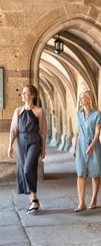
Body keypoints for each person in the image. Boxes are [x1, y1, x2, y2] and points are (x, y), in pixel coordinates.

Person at [8, 85, 47, 214]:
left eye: (25, 92)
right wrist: (10, 146)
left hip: (34, 142)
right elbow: (13, 130)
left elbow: (42, 132)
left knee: (27, 170)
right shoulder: (18, 111)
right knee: (23, 171)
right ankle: (34, 202)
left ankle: (34, 200)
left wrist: (44, 148)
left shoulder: (39, 111)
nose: (23, 95)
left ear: (33, 95)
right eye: (23, 93)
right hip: (21, 142)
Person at [73, 90, 101, 212]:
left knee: (95, 174)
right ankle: (81, 203)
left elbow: (97, 132)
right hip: (80, 145)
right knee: (80, 173)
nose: (81, 100)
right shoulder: (78, 114)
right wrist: (75, 147)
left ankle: (94, 199)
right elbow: (77, 132)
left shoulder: (97, 114)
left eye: (83, 98)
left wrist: (92, 146)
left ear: (89, 99)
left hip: (93, 144)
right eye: (80, 98)